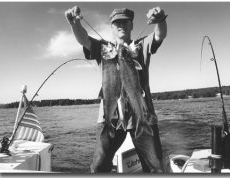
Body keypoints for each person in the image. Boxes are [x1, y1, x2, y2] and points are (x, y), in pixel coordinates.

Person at [65, 6, 167, 173]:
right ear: (111, 27)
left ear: (132, 25)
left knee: (155, 167)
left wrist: (161, 20)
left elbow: (159, 35)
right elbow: (84, 39)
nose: (121, 25)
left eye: (125, 22)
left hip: (143, 117)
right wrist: (74, 23)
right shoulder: (104, 49)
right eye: (116, 23)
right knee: (98, 166)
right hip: (109, 118)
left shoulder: (140, 46)